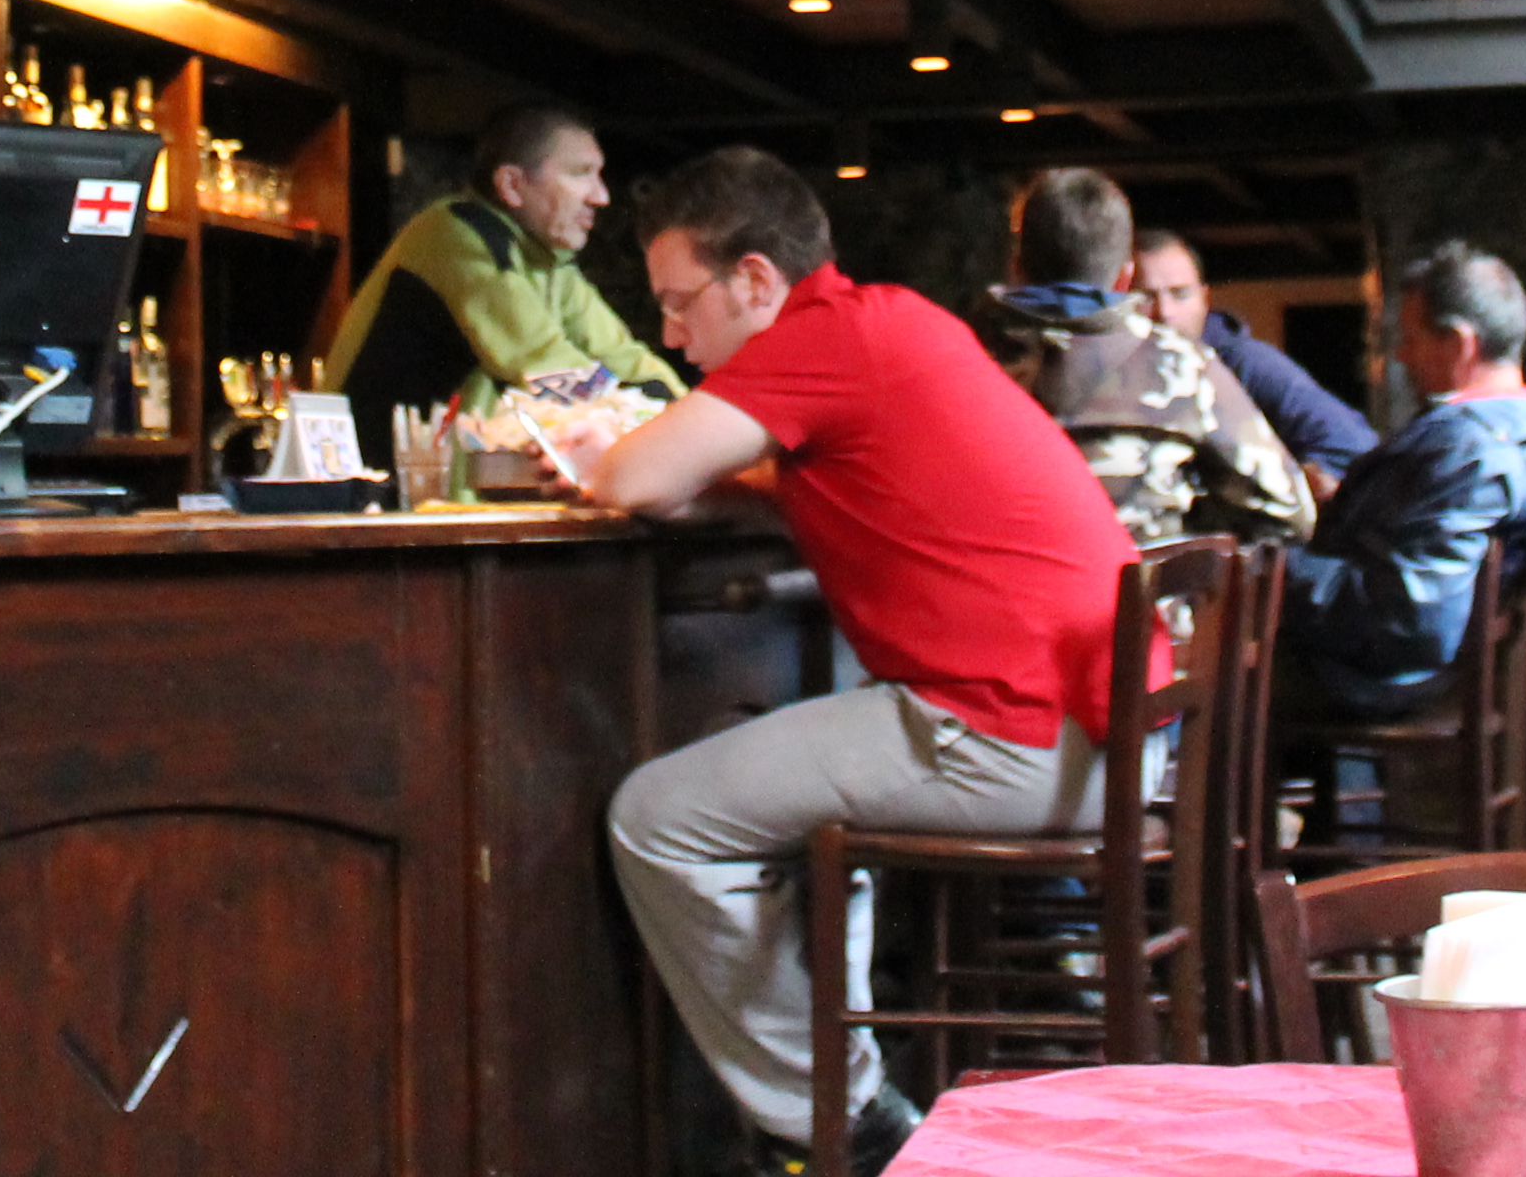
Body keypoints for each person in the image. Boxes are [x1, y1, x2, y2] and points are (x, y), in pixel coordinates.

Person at [587, 148, 1139, 1177]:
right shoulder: (892, 318)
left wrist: (604, 454)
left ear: (754, 279)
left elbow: (629, 477)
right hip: (1105, 734)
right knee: (786, 804)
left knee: (657, 817)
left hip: (1021, 738)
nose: (669, 335)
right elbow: (809, 480)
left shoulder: (816, 339)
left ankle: (837, 1126)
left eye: (678, 302)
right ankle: (832, 1107)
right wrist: (731, 487)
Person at [1279, 241, 1526, 716]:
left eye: (1410, 338)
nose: (1401, 356)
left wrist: (1270, 568)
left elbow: (1408, 622)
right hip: (1441, 676)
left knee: (1216, 676)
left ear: (1460, 344)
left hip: (1385, 683)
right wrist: (1352, 502)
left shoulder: (1466, 448)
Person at [977, 171, 1309, 547]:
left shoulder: (961, 358)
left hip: (997, 582)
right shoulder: (1182, 364)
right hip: (1139, 581)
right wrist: (1183, 523)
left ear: (1016, 267)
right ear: (1125, 278)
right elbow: (1288, 511)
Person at [321, 100, 679, 434]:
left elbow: (625, 357)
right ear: (512, 185)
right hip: (371, 473)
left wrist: (687, 414)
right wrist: (666, 425)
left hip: (439, 473)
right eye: (580, 174)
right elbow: (544, 364)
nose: (601, 197)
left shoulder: (548, 259)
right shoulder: (457, 233)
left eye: (599, 175)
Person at [1126, 224, 1377, 501]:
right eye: (1145, 297)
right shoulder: (1103, 373)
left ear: (1204, 299)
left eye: (1180, 294)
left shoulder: (1243, 364)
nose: (1164, 312)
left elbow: (1351, 442)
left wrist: (1290, 487)